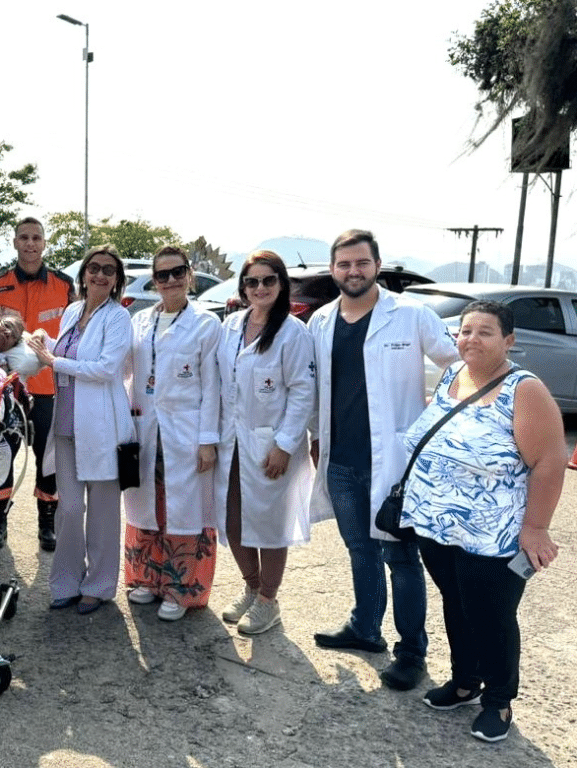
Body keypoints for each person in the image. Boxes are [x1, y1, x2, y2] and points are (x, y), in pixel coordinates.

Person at [400, 300, 565, 743]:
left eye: (485, 332)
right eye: (465, 330)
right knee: (456, 605)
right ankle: (464, 683)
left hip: (493, 536)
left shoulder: (524, 390)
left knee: (491, 616)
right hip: (438, 528)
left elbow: (550, 462)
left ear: (509, 341)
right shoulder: (455, 375)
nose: (471, 339)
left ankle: (498, 702)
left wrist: (535, 528)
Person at [308, 229, 459, 691]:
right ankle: (365, 628)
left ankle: (411, 651)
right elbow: (316, 387)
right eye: (344, 264)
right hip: (342, 460)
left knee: (401, 556)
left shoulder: (411, 315)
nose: (353, 271)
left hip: (394, 463)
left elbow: (457, 365)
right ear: (333, 270)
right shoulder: (320, 320)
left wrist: (433, 422)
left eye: (361, 263)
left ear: (377, 265)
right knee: (359, 550)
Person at [28, 245, 136, 615]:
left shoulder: (118, 318)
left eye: (108, 270)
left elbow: (105, 369)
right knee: (70, 509)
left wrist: (54, 360)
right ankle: (65, 582)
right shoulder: (74, 310)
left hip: (102, 427)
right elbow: (68, 354)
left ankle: (99, 586)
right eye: (94, 268)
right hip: (66, 425)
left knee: (104, 512)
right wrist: (45, 342)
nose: (100, 275)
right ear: (84, 274)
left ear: (117, 280)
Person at [215, 250, 315, 634]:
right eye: (252, 281)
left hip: (271, 442)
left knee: (270, 525)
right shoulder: (232, 325)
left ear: (281, 284)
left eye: (268, 280)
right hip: (233, 440)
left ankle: (269, 601)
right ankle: (251, 588)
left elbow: (303, 392)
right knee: (234, 519)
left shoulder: (293, 332)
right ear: (243, 287)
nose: (260, 288)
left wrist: (286, 445)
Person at [122, 245, 221, 622]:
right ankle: (148, 579)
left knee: (185, 509)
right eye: (161, 275)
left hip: (186, 430)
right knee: (148, 503)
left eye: (176, 272)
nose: (169, 281)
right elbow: (126, 370)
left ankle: (182, 589)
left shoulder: (206, 324)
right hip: (147, 425)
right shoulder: (141, 321)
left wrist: (208, 440)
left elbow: (212, 387)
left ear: (189, 275)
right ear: (154, 280)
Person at [0, 217, 75, 552]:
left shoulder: (64, 285)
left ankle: (46, 523)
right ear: (15, 243)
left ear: (44, 243)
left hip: (49, 387)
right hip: (6, 389)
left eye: (37, 238)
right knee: (2, 452)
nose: (31, 244)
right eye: (24, 238)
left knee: (48, 458)